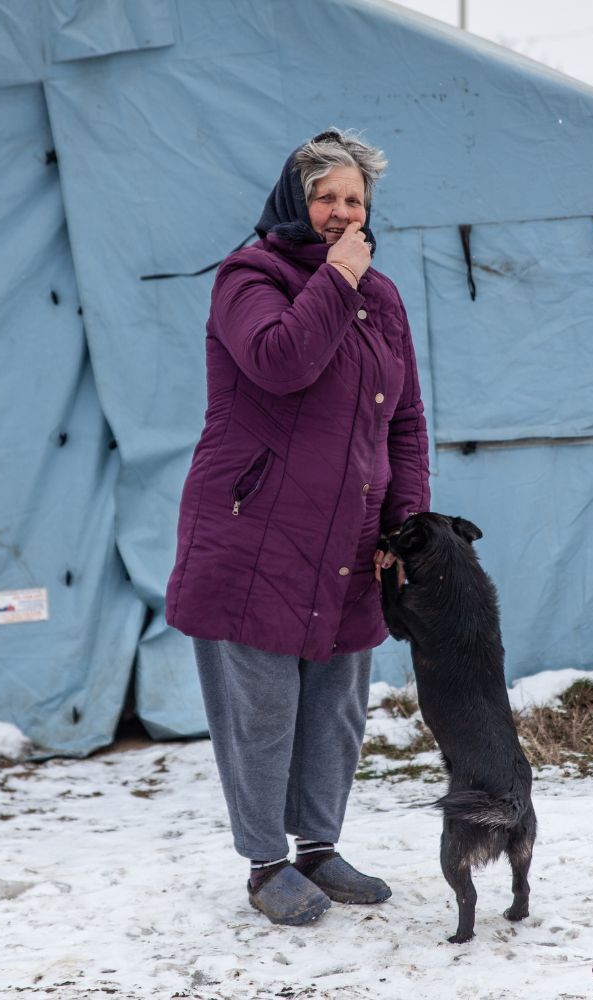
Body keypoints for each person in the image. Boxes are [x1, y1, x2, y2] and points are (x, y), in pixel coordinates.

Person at [164, 128, 430, 926]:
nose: (343, 213)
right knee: (263, 709)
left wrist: (405, 526)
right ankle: (266, 864)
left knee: (336, 706)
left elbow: (407, 422)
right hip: (256, 537)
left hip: (351, 539)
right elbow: (281, 361)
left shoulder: (380, 299)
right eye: (327, 198)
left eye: (356, 200)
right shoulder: (249, 278)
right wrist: (339, 278)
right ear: (295, 200)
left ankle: (318, 846)